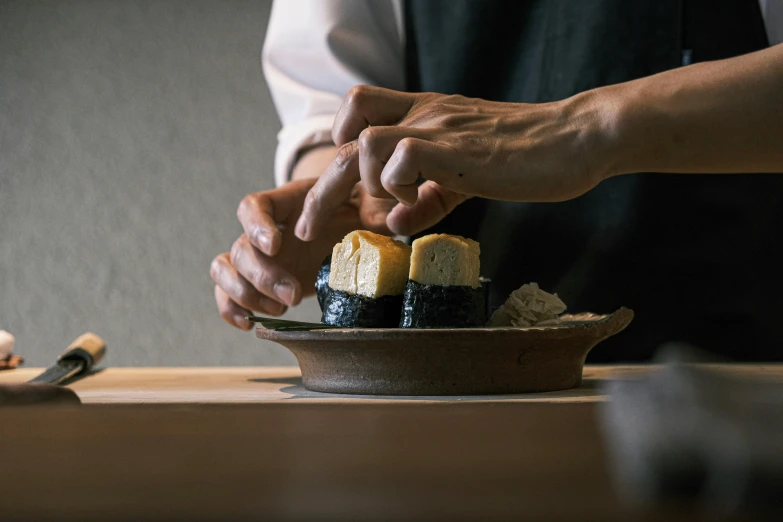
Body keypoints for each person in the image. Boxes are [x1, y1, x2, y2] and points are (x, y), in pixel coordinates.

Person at [211, 0, 783, 361]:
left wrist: (583, 130)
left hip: (736, 382)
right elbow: (335, 88)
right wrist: (342, 201)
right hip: (448, 396)